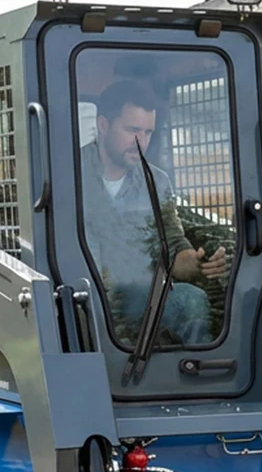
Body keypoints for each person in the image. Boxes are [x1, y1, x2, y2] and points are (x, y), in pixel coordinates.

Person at [79, 80, 228, 348]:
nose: (141, 142)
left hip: (139, 294)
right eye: (132, 130)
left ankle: (193, 378)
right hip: (80, 297)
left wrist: (198, 262)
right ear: (103, 125)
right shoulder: (69, 177)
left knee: (190, 300)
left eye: (148, 132)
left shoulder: (157, 183)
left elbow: (173, 246)